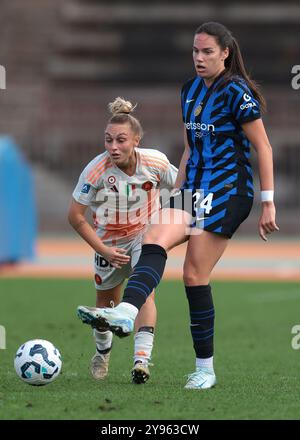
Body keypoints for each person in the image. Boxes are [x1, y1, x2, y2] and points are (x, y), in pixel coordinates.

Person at [77, 22, 279, 389]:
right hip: (194, 187)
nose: (199, 58)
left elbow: (262, 147)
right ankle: (125, 310)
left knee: (193, 275)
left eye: (207, 52)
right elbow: (189, 149)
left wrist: (268, 202)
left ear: (225, 53)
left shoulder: (237, 92)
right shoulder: (188, 91)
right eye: (195, 51)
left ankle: (205, 369)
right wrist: (178, 191)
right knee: (155, 236)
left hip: (229, 192)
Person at [70, 97, 178, 384]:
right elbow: (75, 216)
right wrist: (103, 248)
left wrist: (174, 227)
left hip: (145, 235)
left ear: (136, 140)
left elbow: (182, 188)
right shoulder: (95, 171)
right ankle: (102, 354)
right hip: (108, 244)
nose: (113, 147)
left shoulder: (155, 161)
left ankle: (141, 362)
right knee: (105, 308)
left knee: (145, 294)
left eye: (120, 140)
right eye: (108, 140)